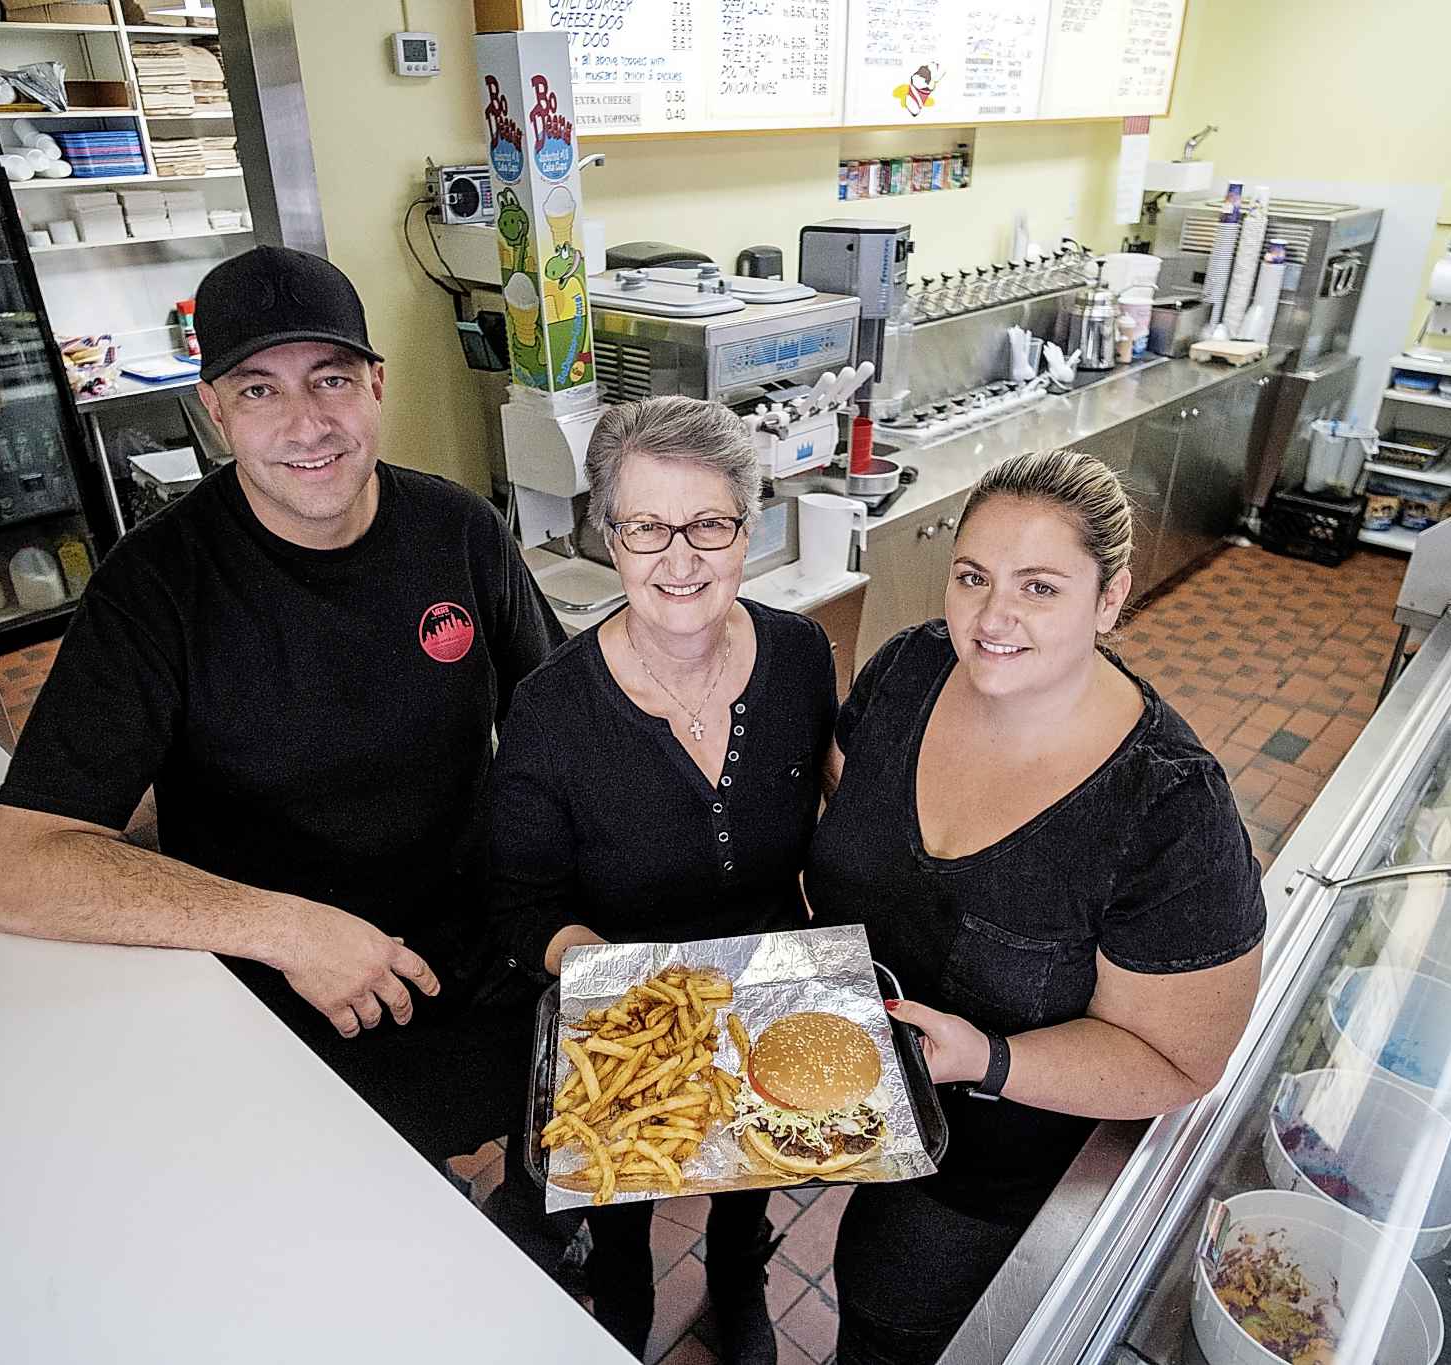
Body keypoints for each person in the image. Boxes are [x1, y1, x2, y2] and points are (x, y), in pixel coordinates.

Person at [0, 245, 562, 1176]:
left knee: (561, 1148)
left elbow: (559, 726)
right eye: (259, 391)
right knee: (362, 1226)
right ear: (213, 413)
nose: (307, 424)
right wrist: (290, 930)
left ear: (376, 384)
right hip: (283, 990)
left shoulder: (461, 531)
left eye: (331, 379)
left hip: (480, 951)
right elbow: (22, 872)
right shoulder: (157, 585)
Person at [805, 448, 1265, 1365]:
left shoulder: (1168, 809)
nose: (992, 617)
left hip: (990, 1167)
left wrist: (986, 1056)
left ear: (1110, 598)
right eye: (972, 577)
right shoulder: (907, 671)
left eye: (1040, 587)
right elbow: (850, 807)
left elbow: (1179, 1061)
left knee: (894, 1313)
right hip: (844, 1083)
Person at [488, 396, 838, 1363]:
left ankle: (738, 1280)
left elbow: (834, 821)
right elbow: (520, 906)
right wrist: (628, 988)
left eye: (708, 524)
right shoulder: (552, 710)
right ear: (609, 536)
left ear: (749, 527)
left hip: (762, 984)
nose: (678, 559)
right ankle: (625, 1304)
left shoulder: (803, 658)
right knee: (628, 1202)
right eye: (646, 527)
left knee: (747, 1174)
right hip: (626, 1016)